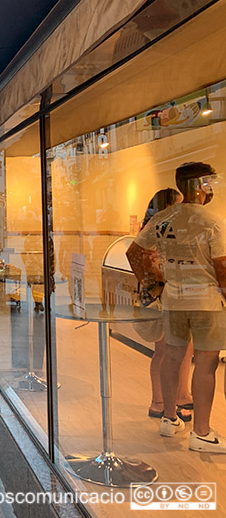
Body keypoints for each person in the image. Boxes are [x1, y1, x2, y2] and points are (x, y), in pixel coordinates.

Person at [127, 163, 226, 453]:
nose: (212, 188)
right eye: (209, 183)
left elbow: (134, 252)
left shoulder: (162, 218)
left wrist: (154, 282)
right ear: (199, 186)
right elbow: (222, 266)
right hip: (207, 302)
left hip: (173, 299)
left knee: (171, 356)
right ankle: (202, 433)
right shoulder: (213, 221)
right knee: (206, 364)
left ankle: (169, 419)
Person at [135, 189, 194, 422]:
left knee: (176, 350)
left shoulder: (157, 228)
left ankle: (169, 399)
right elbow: (141, 259)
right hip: (164, 295)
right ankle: (169, 399)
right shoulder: (159, 229)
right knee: (169, 350)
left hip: (168, 294)